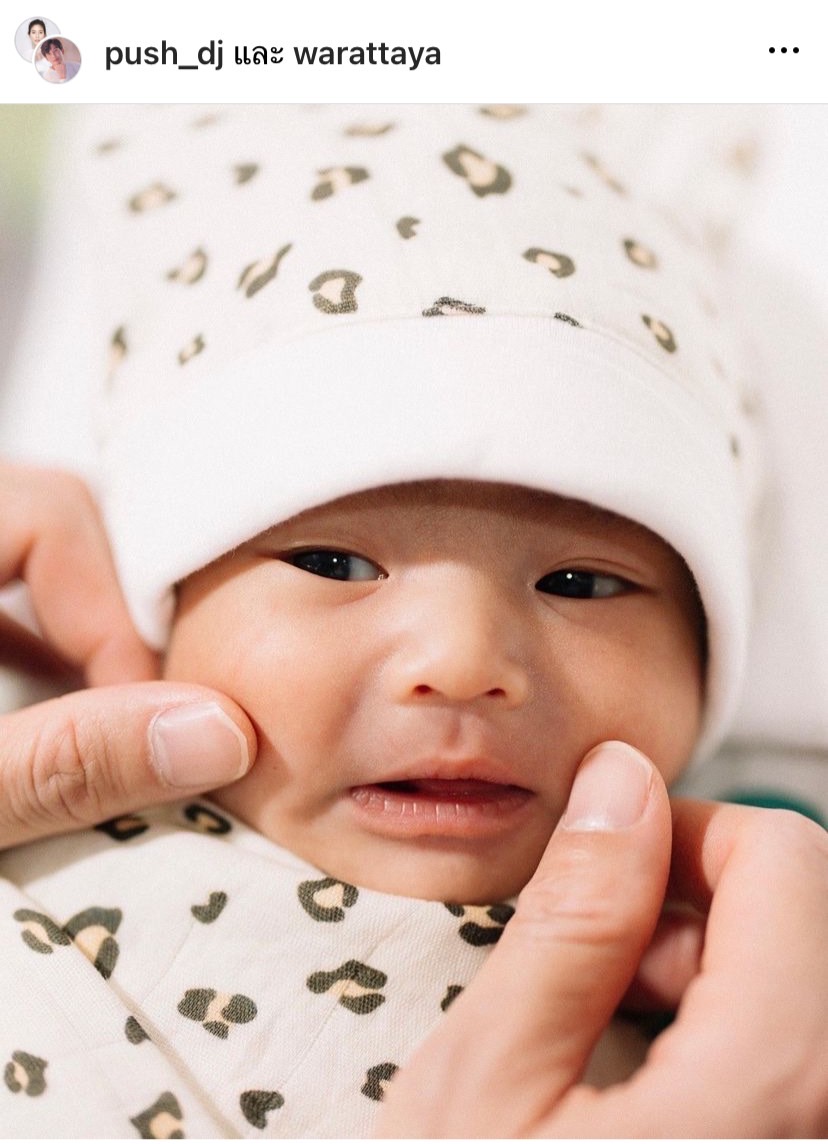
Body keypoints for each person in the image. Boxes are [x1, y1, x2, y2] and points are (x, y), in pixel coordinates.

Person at [0, 105, 825, 1137]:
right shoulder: (41, 844)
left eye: (580, 583)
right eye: (334, 562)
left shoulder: (760, 979)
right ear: (150, 618)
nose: (463, 660)